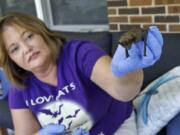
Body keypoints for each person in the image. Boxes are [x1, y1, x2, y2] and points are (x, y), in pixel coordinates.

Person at [0, 12, 163, 135]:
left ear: (42, 33)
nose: (26, 49)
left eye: (29, 36)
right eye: (15, 48)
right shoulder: (19, 87)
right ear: (11, 59)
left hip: (116, 127)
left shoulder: (79, 53)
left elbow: (123, 91)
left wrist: (127, 71)